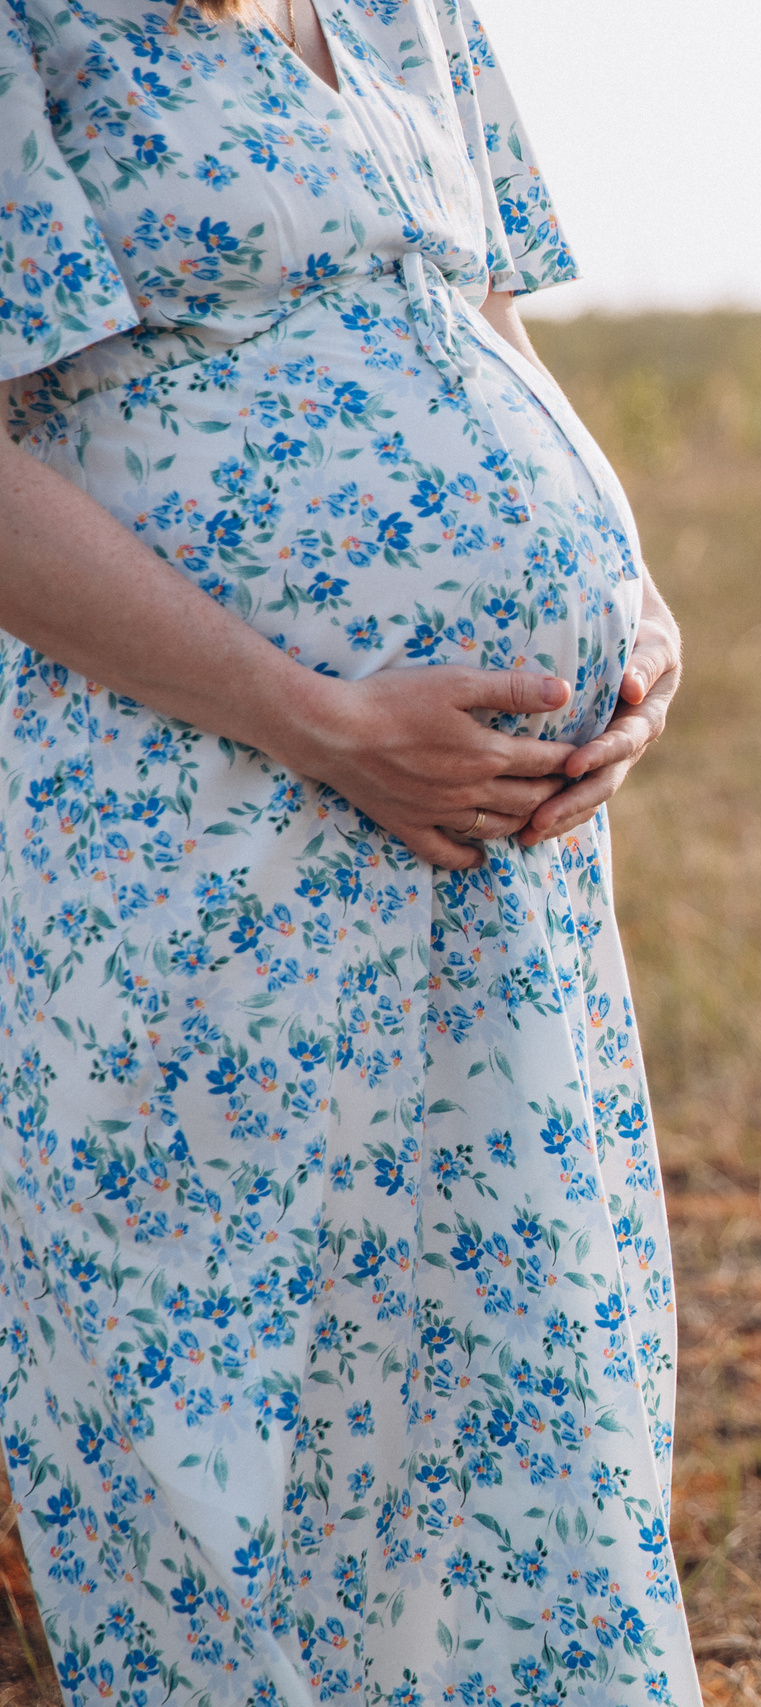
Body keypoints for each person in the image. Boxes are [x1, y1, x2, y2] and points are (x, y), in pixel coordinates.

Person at [0, 3, 690, 1703]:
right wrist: (312, 716)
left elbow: (480, 319)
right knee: (246, 1400)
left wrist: (636, 605)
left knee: (522, 1371)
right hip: (197, 829)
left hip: (492, 860)